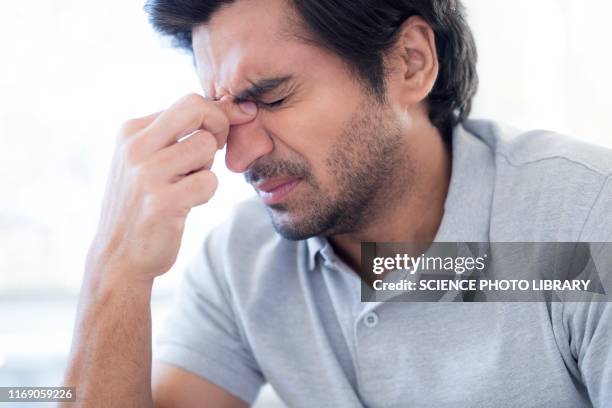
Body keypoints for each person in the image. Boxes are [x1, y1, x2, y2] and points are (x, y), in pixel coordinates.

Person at [61, 0, 612, 407]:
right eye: (227, 114)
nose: (238, 157)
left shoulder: (585, 220)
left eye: (273, 97)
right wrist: (115, 267)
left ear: (410, 63)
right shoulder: (243, 262)